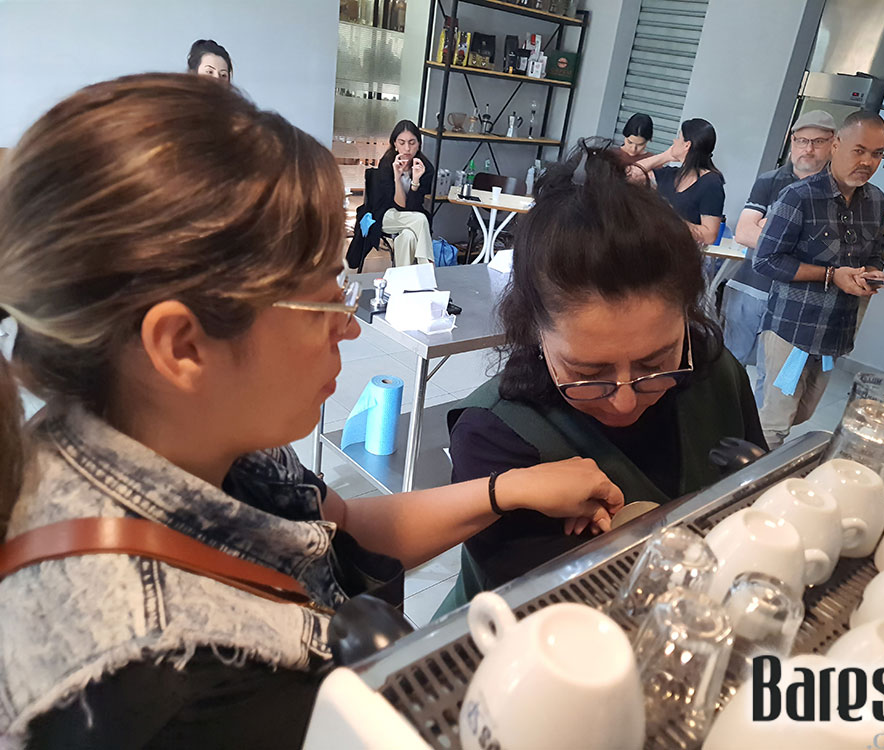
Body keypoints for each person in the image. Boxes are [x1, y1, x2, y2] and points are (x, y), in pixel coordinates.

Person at [0, 75, 626, 747]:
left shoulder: (177, 429)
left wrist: (512, 489)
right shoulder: (163, 691)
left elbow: (343, 526)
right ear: (182, 346)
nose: (349, 326)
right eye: (325, 299)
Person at [435, 142, 767, 614]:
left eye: (655, 364)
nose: (625, 401)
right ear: (535, 331)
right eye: (588, 373)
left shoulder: (715, 373)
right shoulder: (494, 434)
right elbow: (562, 615)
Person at [753, 110, 884, 448]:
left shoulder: (875, 201)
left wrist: (872, 273)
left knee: (803, 412)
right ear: (836, 145)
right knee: (776, 422)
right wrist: (831, 275)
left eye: (877, 154)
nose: (867, 162)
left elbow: (874, 252)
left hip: (835, 332)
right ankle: (746, 477)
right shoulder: (799, 196)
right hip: (793, 330)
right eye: (859, 150)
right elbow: (766, 260)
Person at [722, 110, 837, 399]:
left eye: (818, 141)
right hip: (749, 288)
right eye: (802, 140)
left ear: (833, 144)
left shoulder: (835, 192)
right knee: (727, 367)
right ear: (791, 140)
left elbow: (822, 253)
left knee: (772, 380)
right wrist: (796, 240)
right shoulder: (770, 180)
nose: (808, 149)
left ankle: (757, 427)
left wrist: (769, 228)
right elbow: (743, 233)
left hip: (794, 301)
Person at [347, 120, 434, 268]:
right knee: (421, 219)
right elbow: (397, 206)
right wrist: (397, 178)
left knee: (408, 236)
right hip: (384, 215)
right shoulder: (387, 164)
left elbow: (412, 207)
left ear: (419, 144)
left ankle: (401, 278)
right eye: (402, 142)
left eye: (412, 142)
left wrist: (416, 181)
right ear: (395, 144)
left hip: (410, 217)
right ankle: (427, 269)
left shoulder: (425, 168)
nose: (407, 148)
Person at [635, 118, 725, 247]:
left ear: (687, 145)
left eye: (678, 137)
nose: (674, 141)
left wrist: (673, 219)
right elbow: (629, 175)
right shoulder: (670, 174)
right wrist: (665, 156)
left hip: (679, 252)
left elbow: (709, 235)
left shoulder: (711, 183)